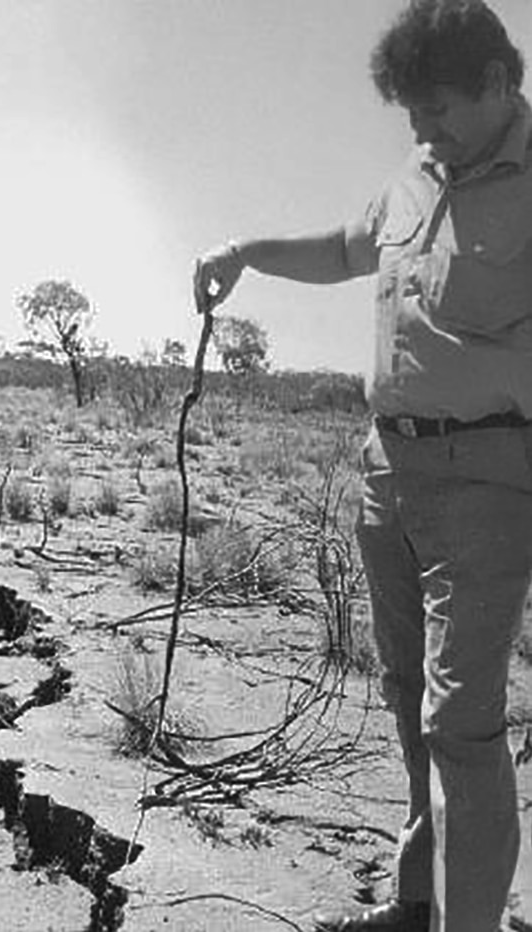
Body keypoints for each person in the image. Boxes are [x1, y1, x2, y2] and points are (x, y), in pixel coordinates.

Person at [193, 2, 532, 931]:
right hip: (390, 476)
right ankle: (418, 902)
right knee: (404, 694)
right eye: (412, 114)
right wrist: (247, 256)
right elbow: (348, 249)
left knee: (460, 721)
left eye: (437, 110)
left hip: (489, 484)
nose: (421, 129)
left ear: (499, 86)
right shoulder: (415, 177)